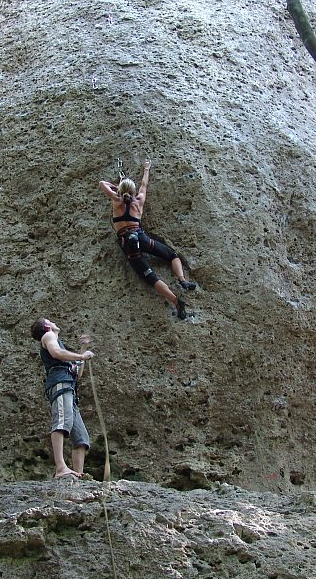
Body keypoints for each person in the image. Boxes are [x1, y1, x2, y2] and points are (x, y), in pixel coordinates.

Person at [99, 159, 196, 319]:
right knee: (172, 255)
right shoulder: (139, 201)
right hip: (141, 237)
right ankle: (182, 280)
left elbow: (102, 183)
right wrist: (146, 169)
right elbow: (144, 184)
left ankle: (177, 302)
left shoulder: (116, 201)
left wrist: (118, 190)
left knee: (150, 277)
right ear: (134, 191)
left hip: (128, 243)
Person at [31, 317, 95, 480]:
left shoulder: (58, 342)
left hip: (70, 388)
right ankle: (61, 468)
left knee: (81, 437)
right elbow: (56, 353)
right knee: (61, 421)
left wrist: (83, 349)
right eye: (49, 321)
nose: (53, 322)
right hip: (60, 384)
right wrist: (81, 357)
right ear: (46, 326)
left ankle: (78, 475)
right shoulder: (49, 336)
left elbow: (77, 374)